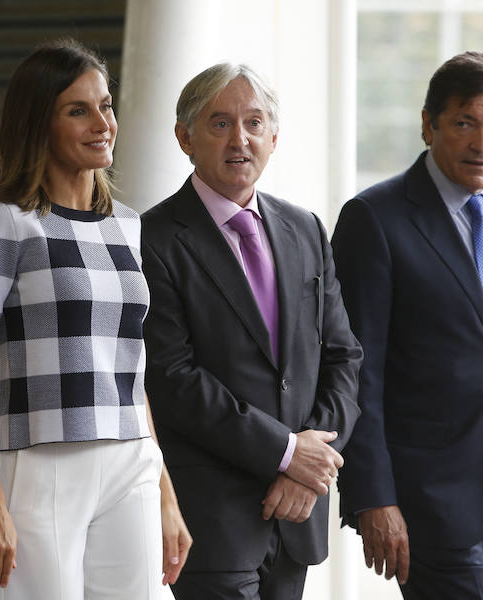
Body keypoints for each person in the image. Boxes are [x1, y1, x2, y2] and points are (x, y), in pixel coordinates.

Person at [0, 39, 192, 599]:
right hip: (41, 462)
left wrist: (165, 493)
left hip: (131, 459)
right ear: (39, 124)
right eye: (77, 110)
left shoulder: (125, 226)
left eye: (105, 105)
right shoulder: (1, 224)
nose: (101, 122)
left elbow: (129, 370)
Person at [140, 63, 363, 600]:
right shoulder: (151, 238)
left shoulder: (306, 228)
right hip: (211, 519)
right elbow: (171, 379)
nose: (239, 139)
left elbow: (343, 358)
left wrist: (307, 467)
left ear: (274, 137)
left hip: (298, 514)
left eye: (254, 123)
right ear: (184, 137)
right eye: (219, 123)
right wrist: (286, 452)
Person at [333, 51, 483, 599]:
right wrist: (372, 495)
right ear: (428, 124)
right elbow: (358, 371)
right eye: (464, 124)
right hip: (423, 498)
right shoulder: (375, 220)